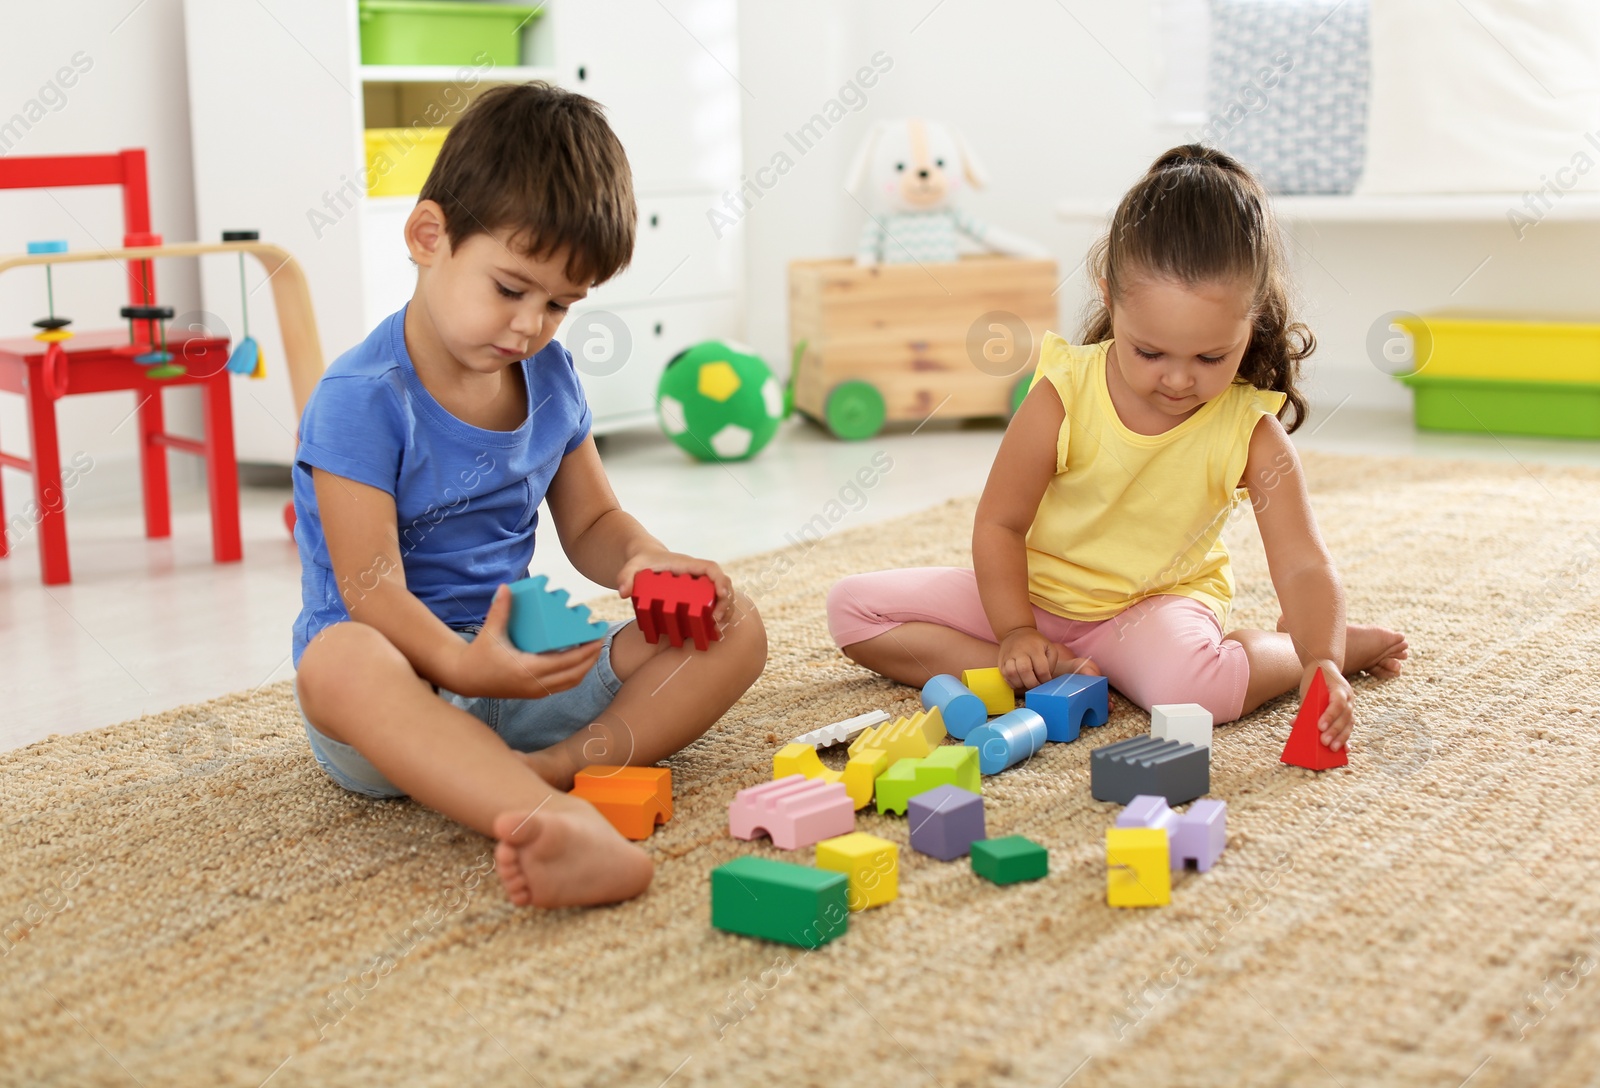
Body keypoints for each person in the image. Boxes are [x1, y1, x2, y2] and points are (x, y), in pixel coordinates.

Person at [291, 83, 765, 909]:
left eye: (560, 304)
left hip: (527, 675)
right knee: (336, 663)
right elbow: (369, 589)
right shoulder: (360, 397)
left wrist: (649, 563)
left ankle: (554, 769)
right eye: (510, 289)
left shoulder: (548, 375)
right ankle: (550, 819)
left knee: (739, 627)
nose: (530, 325)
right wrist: (461, 664)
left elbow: (593, 523)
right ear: (428, 236)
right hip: (402, 686)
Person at [827, 145, 1405, 750]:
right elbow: (999, 523)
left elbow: (1302, 563)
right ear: (1109, 297)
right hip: (1036, 594)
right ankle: (1051, 670)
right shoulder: (1061, 394)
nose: (1179, 380)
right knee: (854, 610)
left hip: (1148, 613)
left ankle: (1300, 649)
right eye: (1150, 352)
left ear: (1253, 320)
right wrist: (1016, 630)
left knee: (1198, 694)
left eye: (1210, 357)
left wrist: (1322, 659)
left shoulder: (1251, 432)